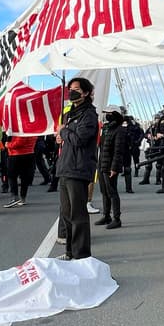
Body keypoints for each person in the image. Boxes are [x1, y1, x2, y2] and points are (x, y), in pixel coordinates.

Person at [55, 77, 98, 260]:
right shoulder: (70, 113)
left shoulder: (89, 114)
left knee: (78, 214)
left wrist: (63, 131)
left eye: (77, 89)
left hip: (78, 169)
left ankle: (81, 255)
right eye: (71, 89)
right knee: (66, 213)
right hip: (66, 167)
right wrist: (60, 136)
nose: (72, 92)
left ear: (86, 93)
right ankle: (70, 252)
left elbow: (80, 139)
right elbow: (68, 138)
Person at [94, 105, 128, 229]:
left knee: (112, 191)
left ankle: (117, 219)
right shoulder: (106, 128)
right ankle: (106, 215)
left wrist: (114, 168)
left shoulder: (119, 130)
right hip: (102, 164)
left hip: (110, 166)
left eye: (109, 113)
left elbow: (118, 151)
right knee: (104, 191)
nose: (106, 116)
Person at [3, 134, 37, 207]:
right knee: (24, 177)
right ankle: (22, 197)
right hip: (29, 153)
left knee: (12, 176)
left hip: (16, 154)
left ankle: (15, 197)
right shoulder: (33, 131)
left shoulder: (22, 130)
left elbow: (19, 142)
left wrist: (8, 145)